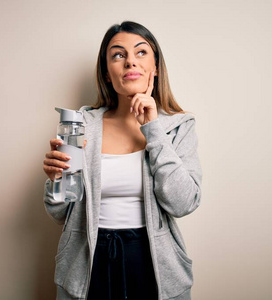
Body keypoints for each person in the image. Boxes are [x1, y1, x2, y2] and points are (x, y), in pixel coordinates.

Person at [43, 21, 202, 300]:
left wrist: (152, 129)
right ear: (107, 73)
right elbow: (59, 214)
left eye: (141, 53)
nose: (130, 62)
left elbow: (183, 203)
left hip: (152, 260)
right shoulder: (79, 124)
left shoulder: (178, 126)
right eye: (118, 55)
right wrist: (56, 181)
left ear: (155, 67)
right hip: (87, 261)